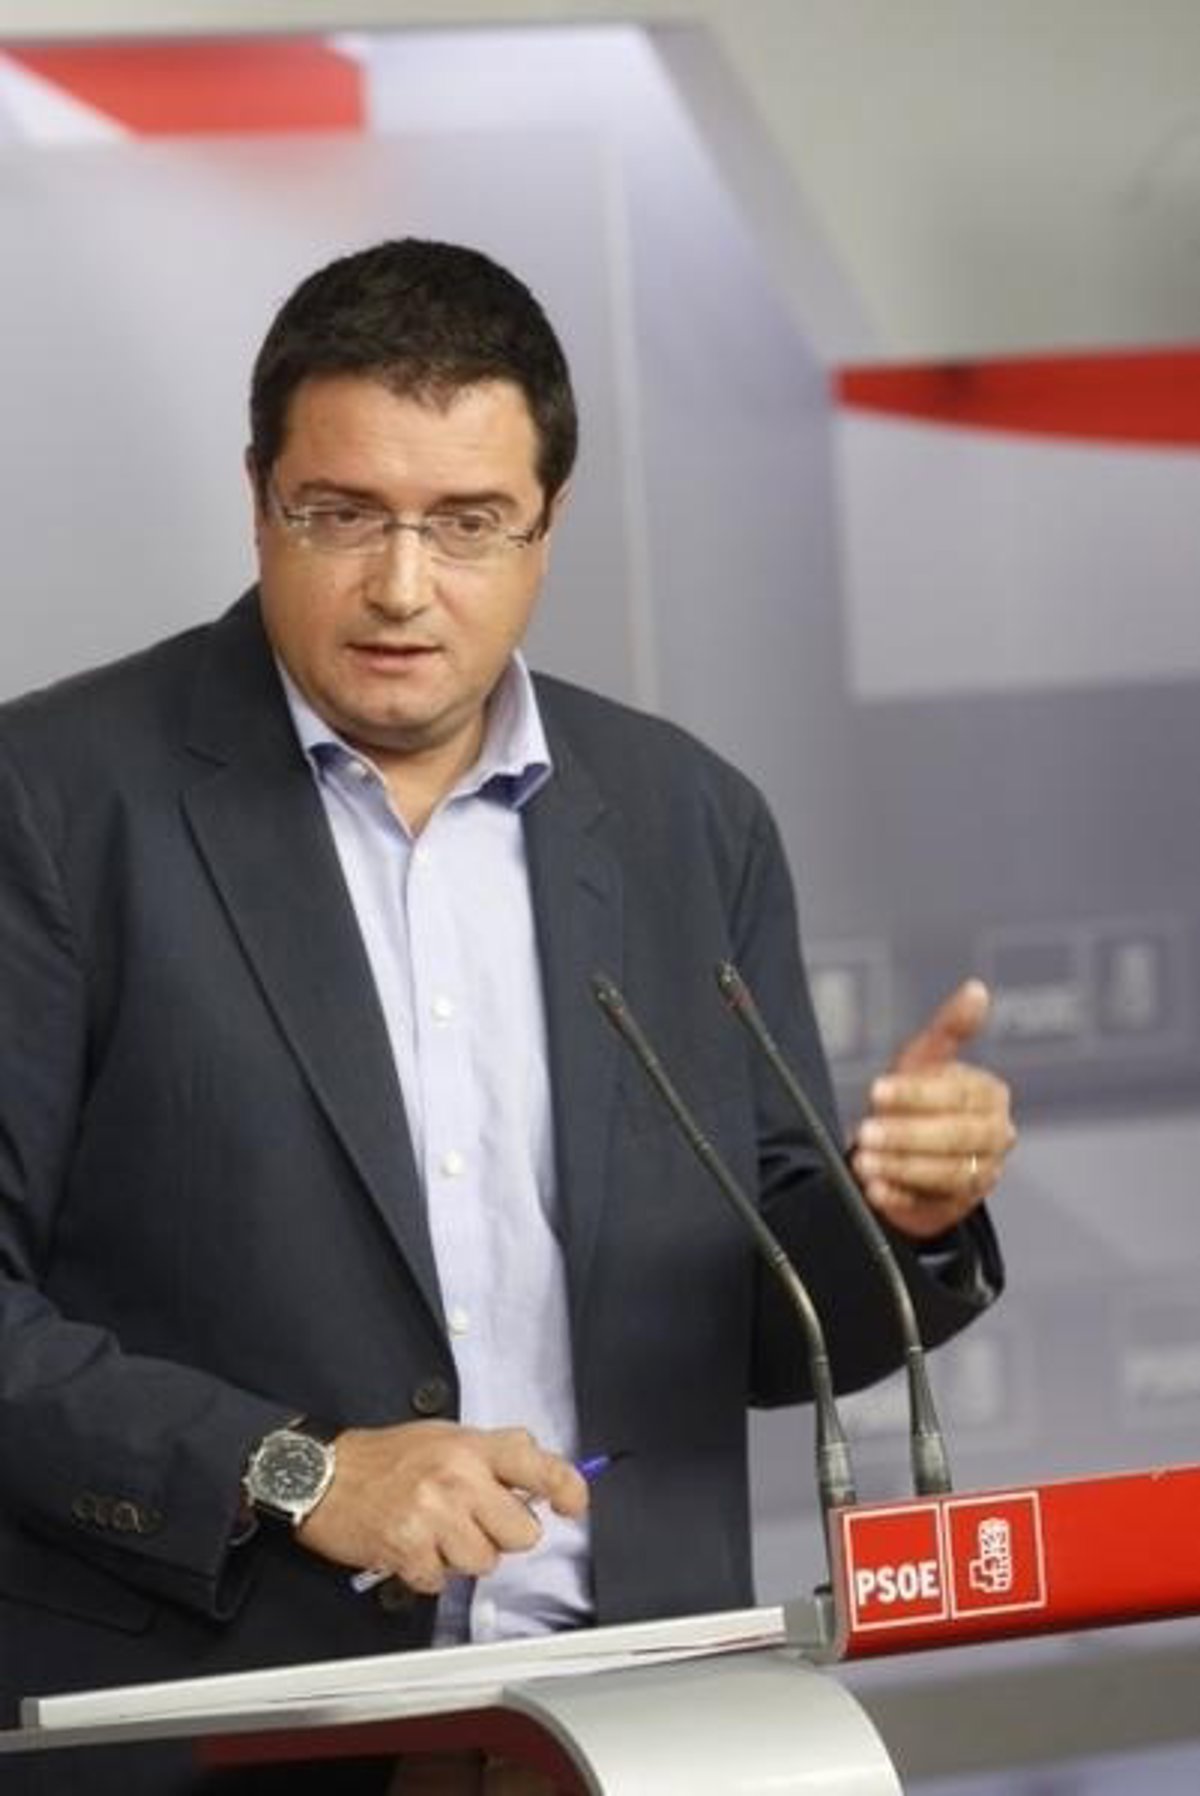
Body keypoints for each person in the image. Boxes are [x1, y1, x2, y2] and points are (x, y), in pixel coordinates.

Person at [0, 239, 1014, 1794]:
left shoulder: (687, 821)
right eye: (343, 515)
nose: (403, 586)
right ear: (260, 499)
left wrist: (906, 1222)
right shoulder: (54, 806)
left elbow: (758, 1322)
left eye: (468, 523)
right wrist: (294, 1474)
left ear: (547, 528)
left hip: (647, 1728)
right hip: (223, 1730)